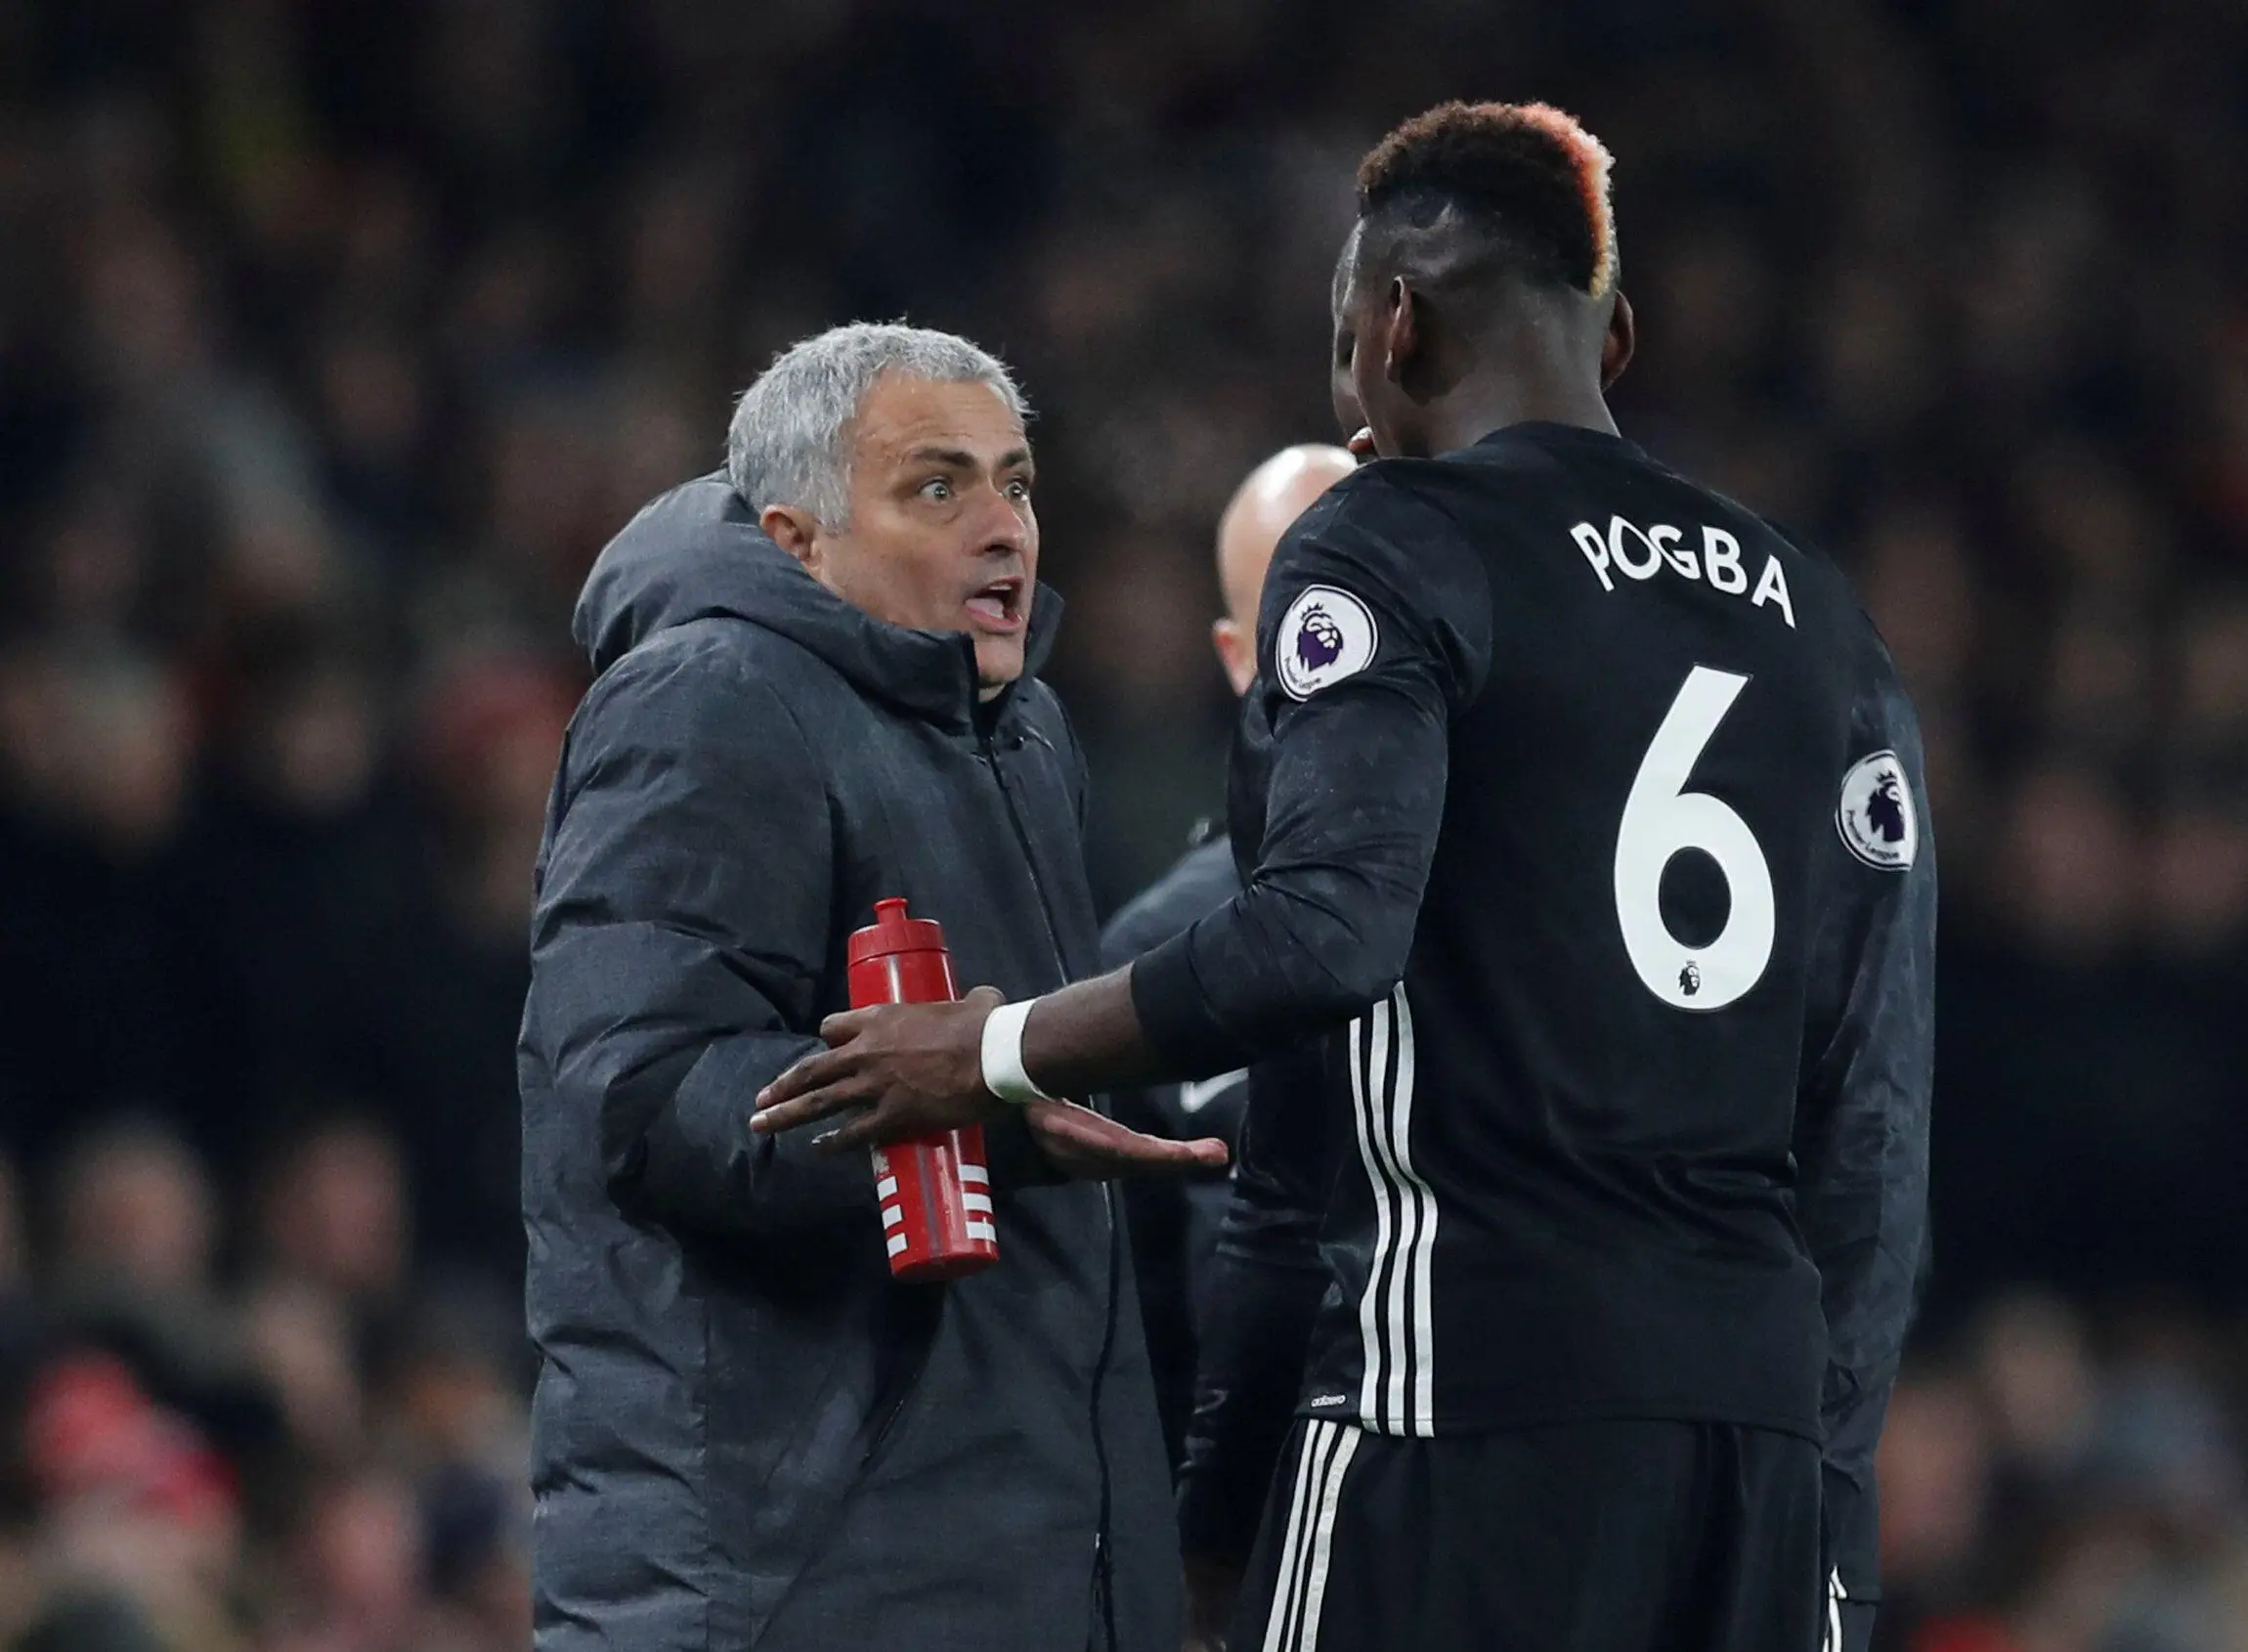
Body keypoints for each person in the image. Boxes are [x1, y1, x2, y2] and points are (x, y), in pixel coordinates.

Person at [755, 106, 1934, 1652]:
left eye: (1338, 343)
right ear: (1619, 334)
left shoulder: (1391, 541)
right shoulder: (1825, 624)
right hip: (1753, 1450)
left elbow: (1318, 942)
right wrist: (1829, 1502)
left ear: (1393, 323)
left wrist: (981, 1050)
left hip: (1458, 1403)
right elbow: (1872, 1127)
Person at [518, 323, 1221, 1652]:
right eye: (938, 487)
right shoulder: (706, 695)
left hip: (1012, 1557)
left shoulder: (1022, 729)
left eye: (1016, 481)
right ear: (799, 538)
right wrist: (983, 1107)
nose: (1003, 526)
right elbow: (644, 1091)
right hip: (797, 1572)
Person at [1099, 443, 1355, 1468]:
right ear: (1235, 654)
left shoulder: (1536, 903)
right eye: (1307, 612)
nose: (1349, 645)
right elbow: (1139, 1321)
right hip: (1256, 1532)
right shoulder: (1150, 953)